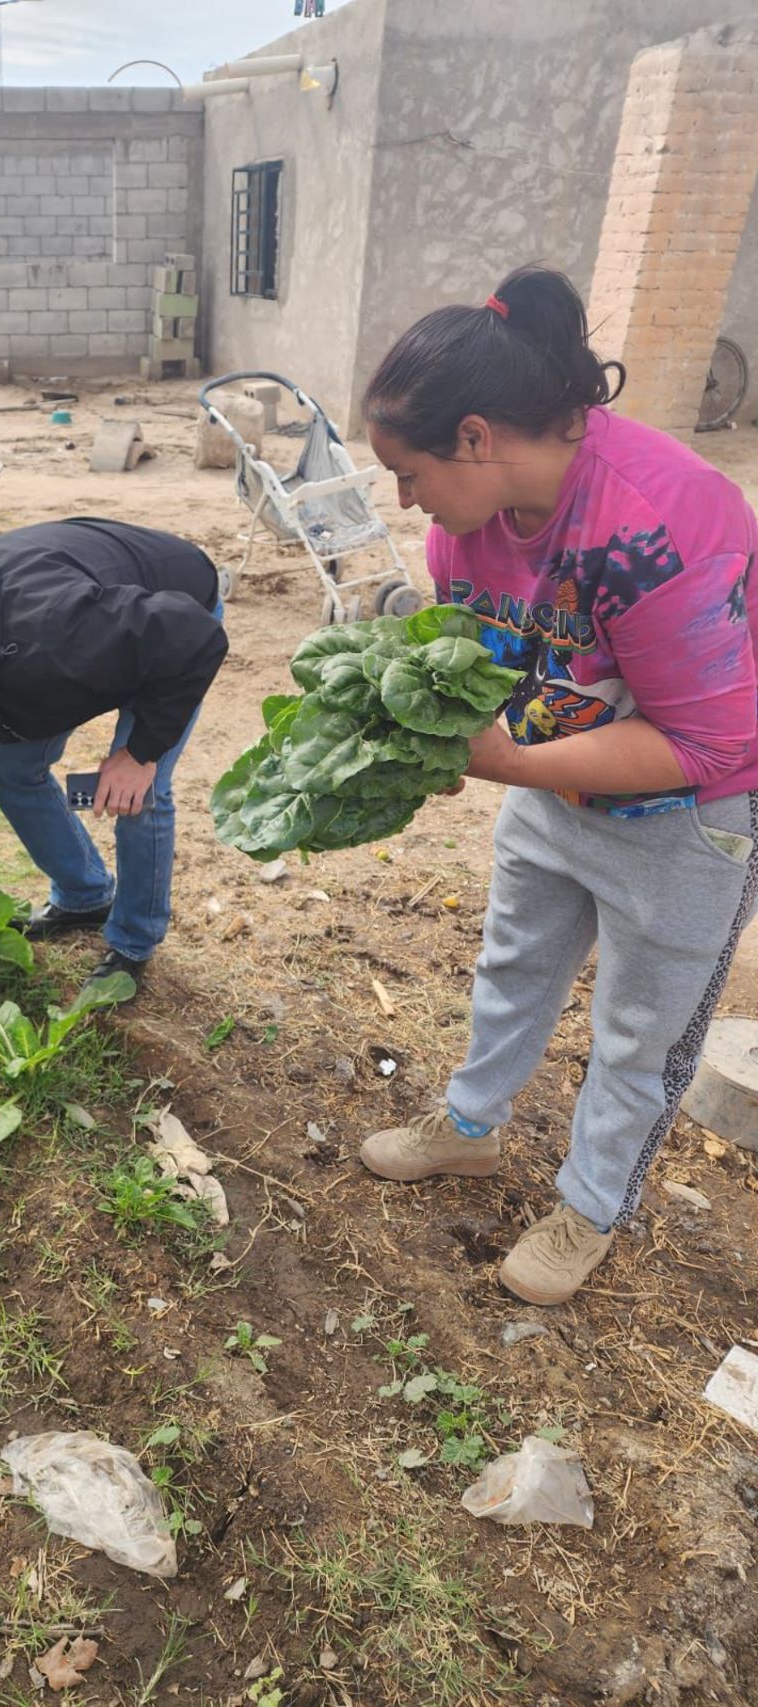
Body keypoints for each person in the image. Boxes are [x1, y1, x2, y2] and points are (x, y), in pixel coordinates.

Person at [356, 264, 758, 1305]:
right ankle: (469, 1125)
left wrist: (513, 763)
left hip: (687, 819)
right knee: (513, 964)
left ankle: (591, 1204)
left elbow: (708, 746)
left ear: (475, 438)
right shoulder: (462, 528)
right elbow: (489, 668)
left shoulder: (660, 524)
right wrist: (446, 741)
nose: (404, 500)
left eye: (408, 472)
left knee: (641, 1030)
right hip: (552, 781)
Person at [0, 518, 227, 998]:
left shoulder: (54, 638)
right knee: (5, 767)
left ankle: (133, 943)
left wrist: (140, 754)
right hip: (87, 633)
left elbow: (193, 634)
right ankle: (84, 895)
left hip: (170, 628)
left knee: (140, 795)